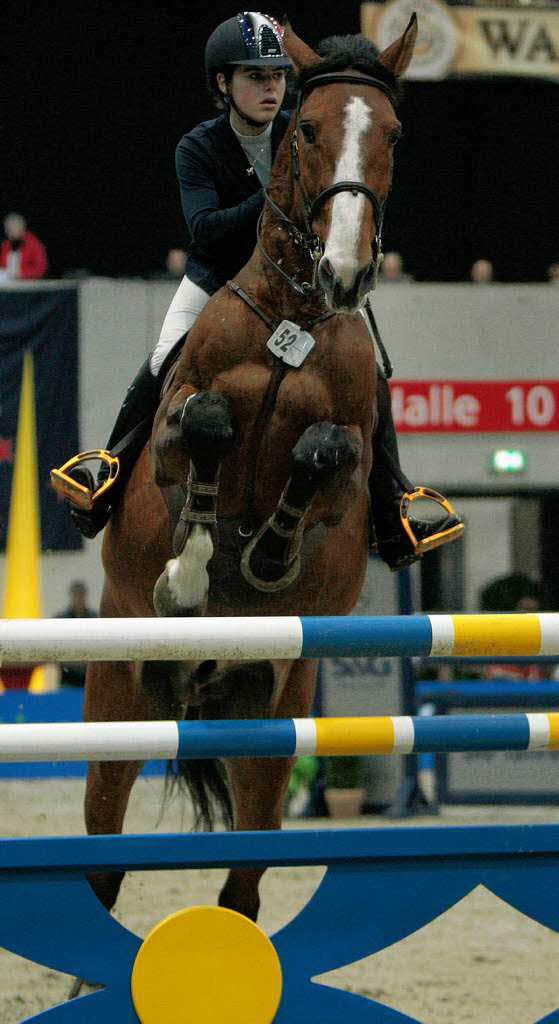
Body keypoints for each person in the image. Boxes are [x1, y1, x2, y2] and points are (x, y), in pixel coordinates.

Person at [61, 12, 462, 571]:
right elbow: (203, 230)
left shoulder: (308, 127)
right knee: (161, 357)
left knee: (371, 376)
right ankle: (108, 465)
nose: (271, 88)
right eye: (255, 77)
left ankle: (395, 502)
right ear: (224, 84)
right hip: (216, 275)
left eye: (277, 77)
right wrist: (274, 198)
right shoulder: (198, 146)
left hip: (298, 283)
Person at [55, 581, 97, 687]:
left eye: (81, 595)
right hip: (68, 676)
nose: (79, 599)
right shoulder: (61, 620)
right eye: (76, 595)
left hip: (90, 676)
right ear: (72, 596)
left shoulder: (95, 619)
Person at [0, 213, 48, 280]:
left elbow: (41, 269)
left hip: (28, 285)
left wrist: (21, 273)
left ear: (21, 228)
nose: (8, 232)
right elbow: (2, 265)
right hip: (7, 282)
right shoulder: (6, 244)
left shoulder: (34, 244)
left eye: (10, 229)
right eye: (7, 229)